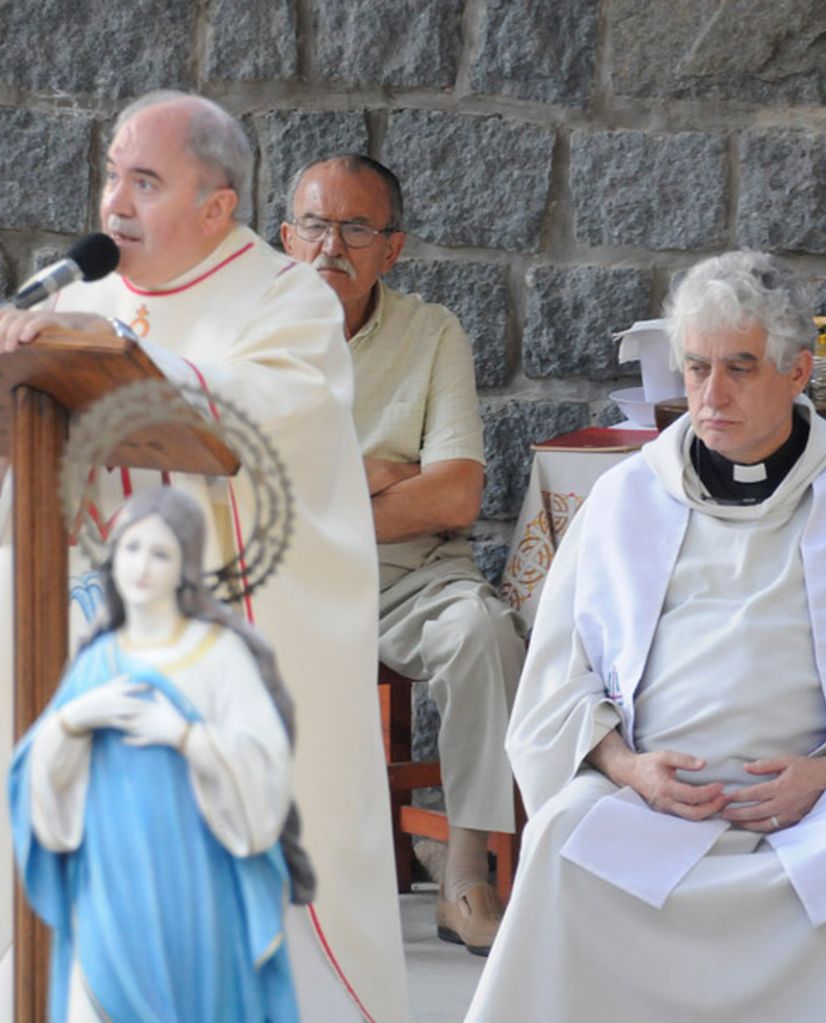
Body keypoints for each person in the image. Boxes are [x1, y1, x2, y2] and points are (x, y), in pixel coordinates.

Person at [0, 91, 407, 1023]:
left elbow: (270, 420)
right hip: (63, 630)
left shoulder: (287, 300)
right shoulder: (72, 294)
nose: (114, 204)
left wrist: (115, 362)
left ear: (216, 206)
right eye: (112, 175)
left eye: (143, 182)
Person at [466, 251, 826, 1022]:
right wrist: (626, 766)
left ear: (799, 370)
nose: (710, 395)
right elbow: (556, 678)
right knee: (564, 836)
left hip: (819, 802)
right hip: (654, 800)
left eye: (739, 367)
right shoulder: (624, 497)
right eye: (697, 367)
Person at [280, 154, 525, 955]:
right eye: (315, 224)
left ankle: (463, 879)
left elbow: (455, 496)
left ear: (394, 247)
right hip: (286, 575)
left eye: (356, 227)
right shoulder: (250, 338)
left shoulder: (431, 333)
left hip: (413, 578)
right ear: (286, 237)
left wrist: (326, 490)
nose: (331, 246)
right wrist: (381, 475)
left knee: (484, 633)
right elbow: (250, 494)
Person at [10, 487, 305, 1022]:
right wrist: (75, 719)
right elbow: (36, 773)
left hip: (194, 879)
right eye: (131, 548)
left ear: (185, 567)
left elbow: (263, 764)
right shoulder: (98, 661)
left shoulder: (218, 655)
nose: (142, 566)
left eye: (161, 553)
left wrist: (186, 736)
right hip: (109, 875)